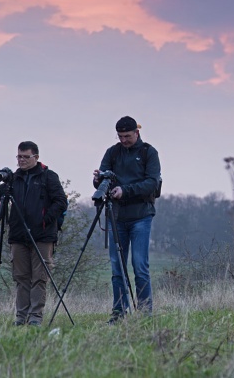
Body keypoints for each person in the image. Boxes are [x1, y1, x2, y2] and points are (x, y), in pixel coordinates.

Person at [0, 141, 67, 326]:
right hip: (18, 234)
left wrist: (44, 220)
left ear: (36, 157)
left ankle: (35, 317)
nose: (21, 161)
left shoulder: (49, 177)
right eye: (19, 157)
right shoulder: (14, 178)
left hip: (43, 235)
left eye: (25, 157)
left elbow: (61, 202)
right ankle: (20, 318)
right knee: (21, 277)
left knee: (39, 277)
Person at [93, 116, 161, 324]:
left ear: (136, 133)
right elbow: (103, 180)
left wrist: (126, 190)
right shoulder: (112, 152)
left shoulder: (148, 152)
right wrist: (98, 180)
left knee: (139, 265)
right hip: (117, 217)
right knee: (117, 267)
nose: (124, 140)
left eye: (127, 136)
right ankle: (119, 312)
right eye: (121, 136)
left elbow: (152, 183)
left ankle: (144, 313)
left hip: (141, 215)